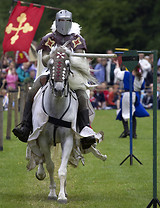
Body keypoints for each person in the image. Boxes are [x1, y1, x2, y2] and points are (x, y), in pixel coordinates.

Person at [13, 9, 103, 148]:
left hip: (70, 74)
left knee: (82, 96)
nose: (64, 23)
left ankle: (85, 130)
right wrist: (52, 56)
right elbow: (43, 60)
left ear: (71, 22)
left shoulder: (77, 39)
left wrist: (68, 57)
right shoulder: (49, 38)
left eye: (67, 20)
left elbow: (79, 57)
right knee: (32, 92)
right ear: (56, 21)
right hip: (51, 72)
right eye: (61, 20)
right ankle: (26, 127)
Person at [114, 60, 149, 138]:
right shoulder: (140, 77)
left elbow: (117, 74)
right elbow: (142, 87)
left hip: (127, 95)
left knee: (124, 113)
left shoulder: (126, 74)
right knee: (132, 114)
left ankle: (127, 131)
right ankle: (133, 133)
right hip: (135, 95)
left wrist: (117, 65)